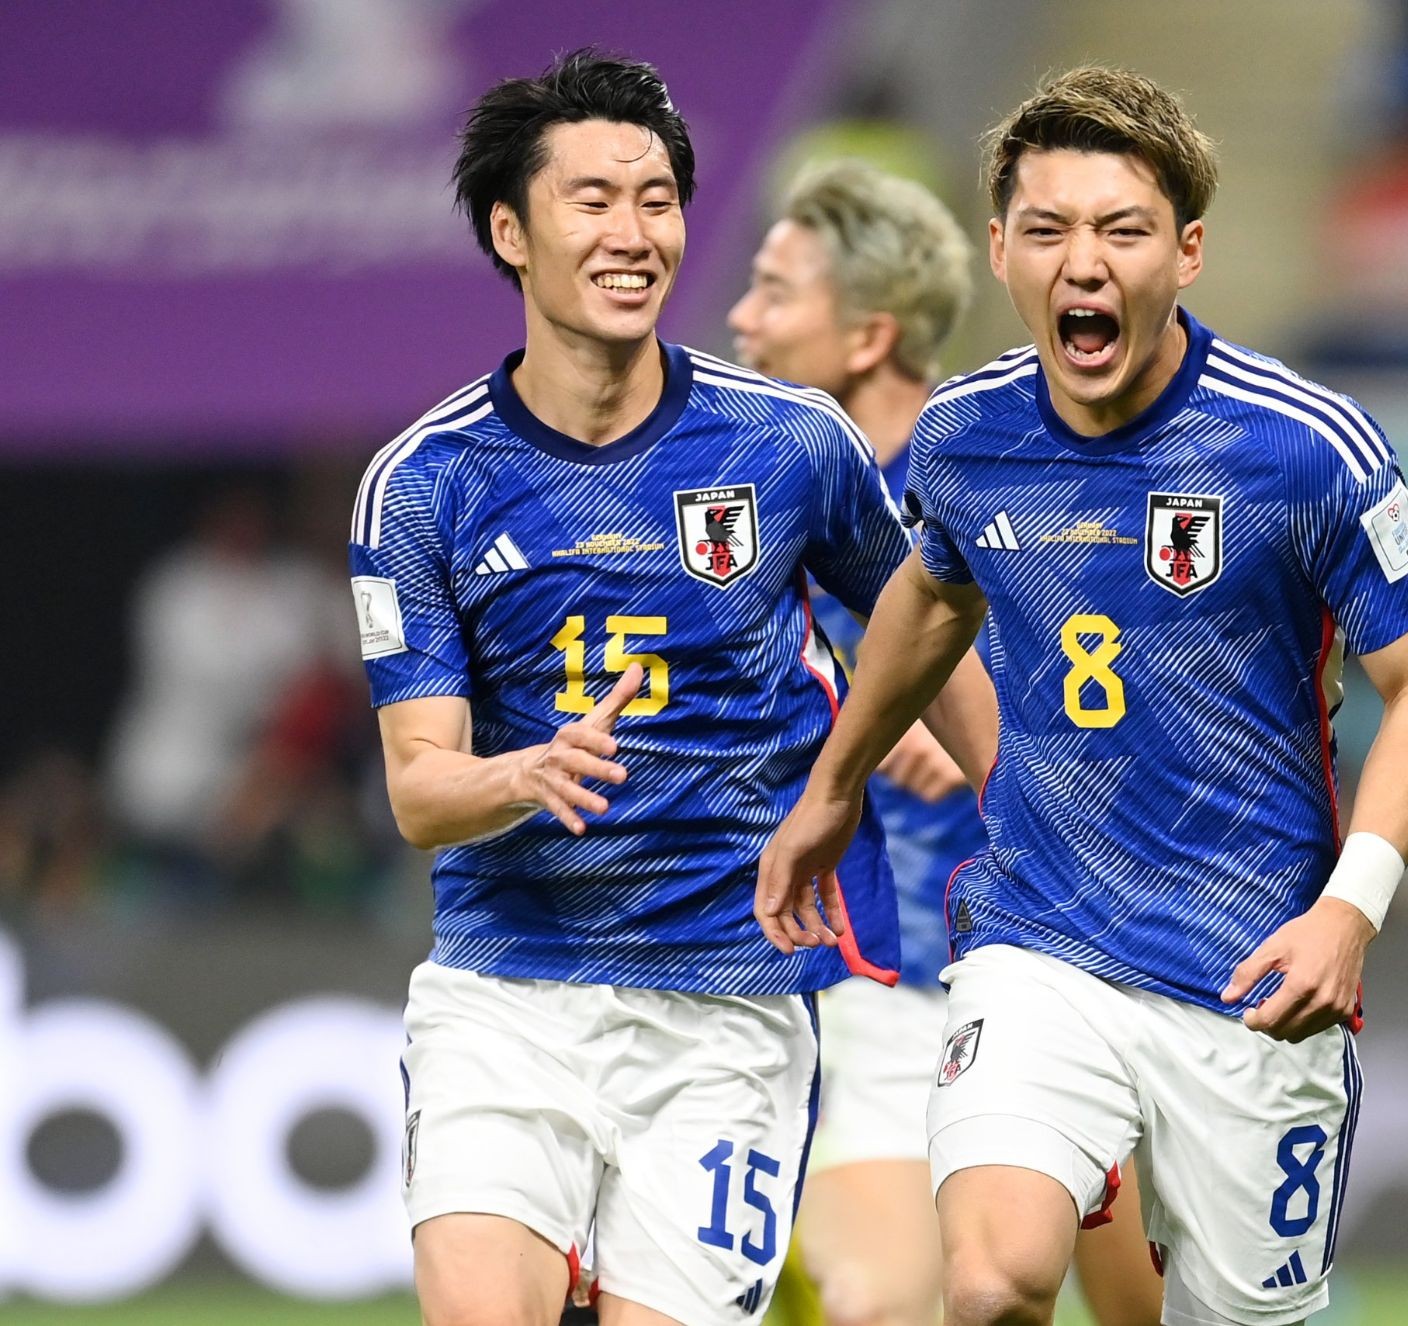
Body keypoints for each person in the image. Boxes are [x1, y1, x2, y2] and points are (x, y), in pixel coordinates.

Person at [758, 67, 1408, 1326]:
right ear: (1000, 251)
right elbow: (930, 598)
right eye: (1046, 230)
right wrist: (834, 787)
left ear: (1186, 251)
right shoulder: (967, 435)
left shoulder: (1303, 445)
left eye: (1120, 230)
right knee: (990, 1283)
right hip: (1037, 941)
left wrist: (1347, 913)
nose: (1081, 263)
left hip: (1251, 969)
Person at [348, 50, 993, 1326]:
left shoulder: (788, 444)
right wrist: (520, 773)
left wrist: (1010, 813)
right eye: (591, 200)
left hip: (727, 1013)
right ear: (509, 231)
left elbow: (927, 620)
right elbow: (420, 793)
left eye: (657, 201)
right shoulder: (425, 483)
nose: (633, 233)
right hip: (508, 996)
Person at [728, 160, 1161, 1326]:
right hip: (871, 973)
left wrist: (989, 721)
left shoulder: (1020, 476)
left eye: (774, 293)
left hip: (1061, 955)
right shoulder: (756, 503)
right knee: (881, 1305)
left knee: (1148, 1311)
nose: (740, 321)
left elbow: (1140, 691)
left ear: (869, 336)